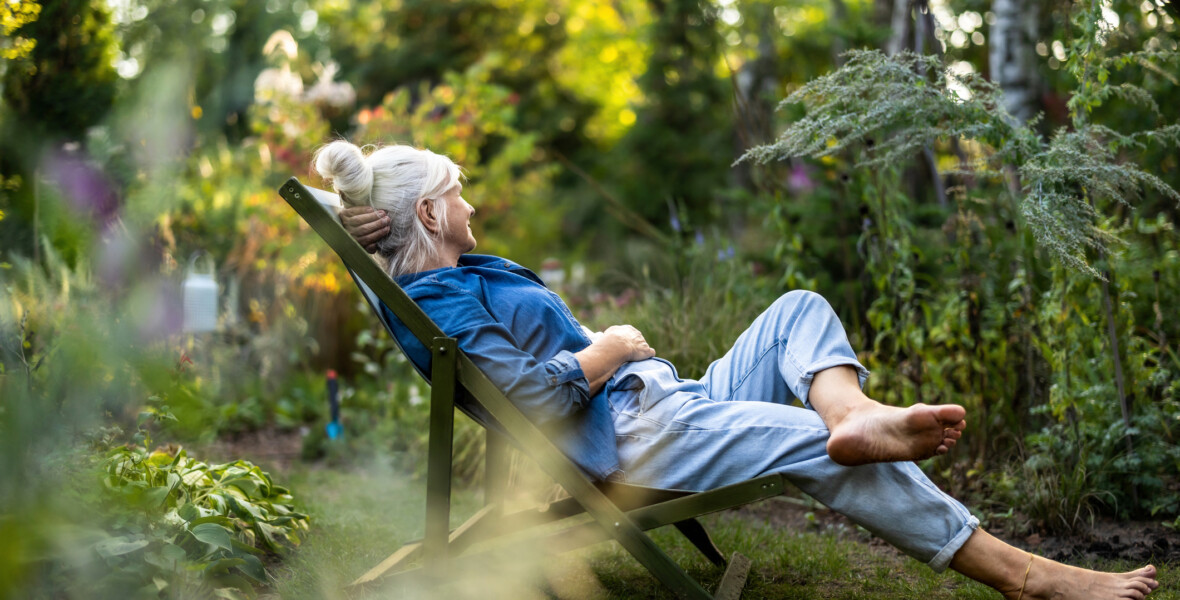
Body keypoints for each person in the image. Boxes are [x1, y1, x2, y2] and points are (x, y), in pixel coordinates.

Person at [312, 140, 1160, 600]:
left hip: (662, 402)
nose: (472, 202)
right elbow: (531, 397)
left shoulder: (451, 278)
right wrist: (612, 346)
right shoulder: (445, 301)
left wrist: (619, 358)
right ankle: (1027, 576)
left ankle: (853, 415)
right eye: (459, 191)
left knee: (797, 309)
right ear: (431, 212)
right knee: (808, 443)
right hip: (636, 435)